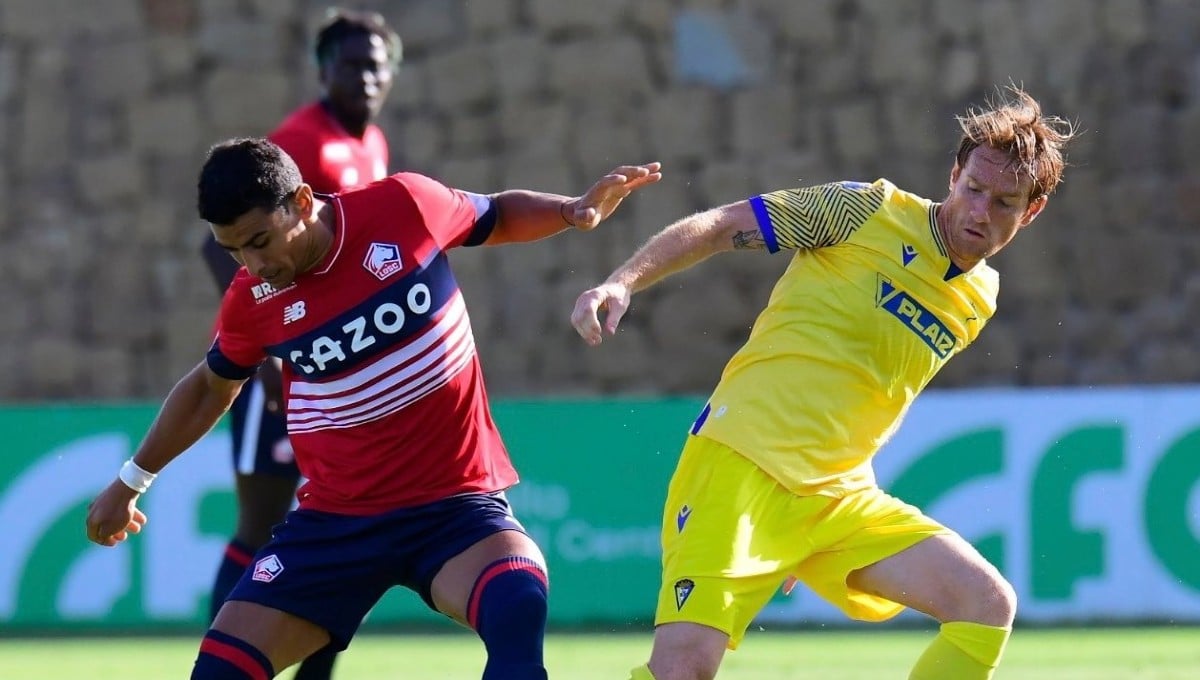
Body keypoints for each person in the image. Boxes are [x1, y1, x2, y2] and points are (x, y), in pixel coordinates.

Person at [86, 137, 661, 679]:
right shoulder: (252, 300)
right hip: (336, 523)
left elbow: (495, 214)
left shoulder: (404, 206)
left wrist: (570, 211)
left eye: (259, 241)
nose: (252, 264)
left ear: (302, 202)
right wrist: (131, 480)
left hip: (455, 508)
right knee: (219, 671)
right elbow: (211, 388)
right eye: (232, 250)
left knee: (518, 601)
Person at [571, 86, 1076, 680]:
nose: (980, 213)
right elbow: (721, 226)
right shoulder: (866, 210)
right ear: (953, 175)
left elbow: (875, 392)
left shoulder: (980, 297)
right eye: (973, 189)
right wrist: (623, 281)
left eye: (1004, 202)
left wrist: (806, 531)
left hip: (835, 496)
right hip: (741, 466)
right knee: (683, 672)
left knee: (986, 605)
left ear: (1032, 211)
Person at [197, 10, 401, 679]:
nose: (365, 78)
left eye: (376, 66)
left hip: (337, 367)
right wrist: (272, 349)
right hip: (285, 363)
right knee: (259, 525)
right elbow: (218, 246)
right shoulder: (301, 141)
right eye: (351, 65)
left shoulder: (370, 143)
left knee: (348, 522)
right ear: (323, 71)